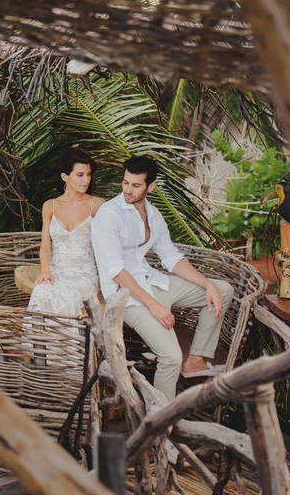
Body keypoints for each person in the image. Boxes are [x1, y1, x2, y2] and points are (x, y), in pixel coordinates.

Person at [90, 156, 234, 400]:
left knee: (222, 290)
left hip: (153, 281)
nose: (127, 190)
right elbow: (116, 272)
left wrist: (207, 284)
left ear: (151, 186)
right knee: (171, 357)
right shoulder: (109, 214)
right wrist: (153, 306)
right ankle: (162, 422)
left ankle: (196, 359)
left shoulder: (153, 214)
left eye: (136, 185)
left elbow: (171, 258)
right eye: (125, 183)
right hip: (127, 296)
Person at [29, 149, 104, 316]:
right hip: (57, 271)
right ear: (65, 177)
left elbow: (107, 245)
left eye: (88, 174)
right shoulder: (50, 206)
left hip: (85, 275)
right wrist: (45, 271)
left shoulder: (97, 205)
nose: (86, 180)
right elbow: (46, 246)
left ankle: (70, 342)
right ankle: (45, 342)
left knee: (69, 297)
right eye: (80, 175)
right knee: (41, 292)